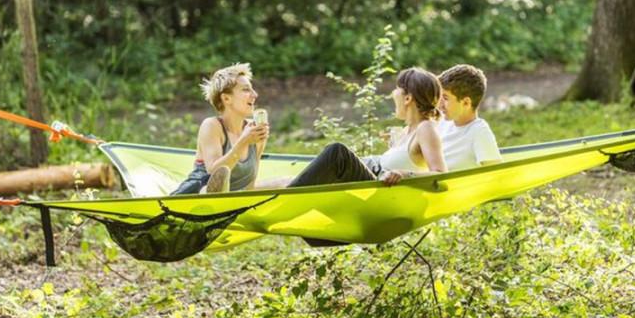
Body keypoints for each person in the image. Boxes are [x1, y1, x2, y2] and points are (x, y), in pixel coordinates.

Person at [285, 67, 447, 189]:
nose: (392, 93)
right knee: (289, 180)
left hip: (376, 192)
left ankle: (287, 202)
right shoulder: (406, 131)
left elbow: (441, 176)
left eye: (396, 88)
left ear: (407, 98)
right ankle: (267, 193)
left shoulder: (425, 128)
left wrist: (404, 174)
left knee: (337, 152)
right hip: (371, 177)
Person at [170, 63, 269, 194]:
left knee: (286, 182)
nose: (255, 94)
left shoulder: (254, 130)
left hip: (234, 197)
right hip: (199, 195)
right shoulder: (212, 126)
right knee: (217, 181)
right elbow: (215, 172)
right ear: (226, 98)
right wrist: (243, 142)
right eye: (246, 90)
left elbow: (251, 182)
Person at [437, 64, 501, 168]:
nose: (439, 104)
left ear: (466, 103)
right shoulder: (441, 123)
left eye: (445, 98)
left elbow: (495, 174)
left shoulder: (479, 131)